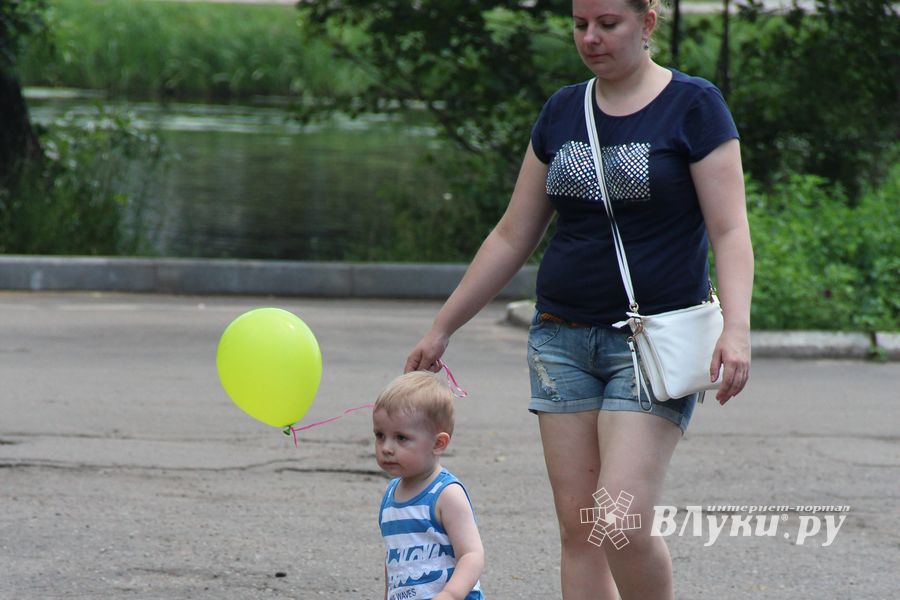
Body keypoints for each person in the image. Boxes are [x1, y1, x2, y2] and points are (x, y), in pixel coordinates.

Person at [404, 0, 753, 598]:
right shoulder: (564, 110)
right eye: (579, 24)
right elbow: (513, 234)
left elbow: (730, 229)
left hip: (650, 344)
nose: (590, 38)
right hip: (560, 340)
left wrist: (738, 328)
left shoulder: (694, 106)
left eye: (607, 24)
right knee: (582, 531)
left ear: (646, 22)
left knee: (620, 522)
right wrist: (443, 328)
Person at [374, 371, 485, 600]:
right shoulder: (390, 495)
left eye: (401, 438)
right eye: (380, 435)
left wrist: (451, 595)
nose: (386, 447)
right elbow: (395, 562)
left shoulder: (446, 494)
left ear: (438, 443)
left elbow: (471, 554)